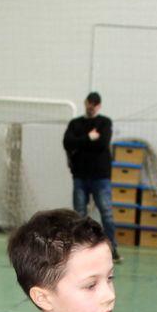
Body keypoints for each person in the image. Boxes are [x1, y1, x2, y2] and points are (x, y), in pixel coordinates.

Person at [62, 92, 120, 261]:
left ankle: (112, 248)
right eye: (90, 103)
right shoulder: (75, 123)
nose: (92, 106)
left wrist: (80, 142)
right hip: (80, 176)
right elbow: (67, 143)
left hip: (100, 177)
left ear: (99, 106)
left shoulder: (105, 123)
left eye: (95, 104)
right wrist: (88, 137)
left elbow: (102, 144)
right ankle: (80, 249)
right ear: (85, 103)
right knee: (79, 215)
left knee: (106, 213)